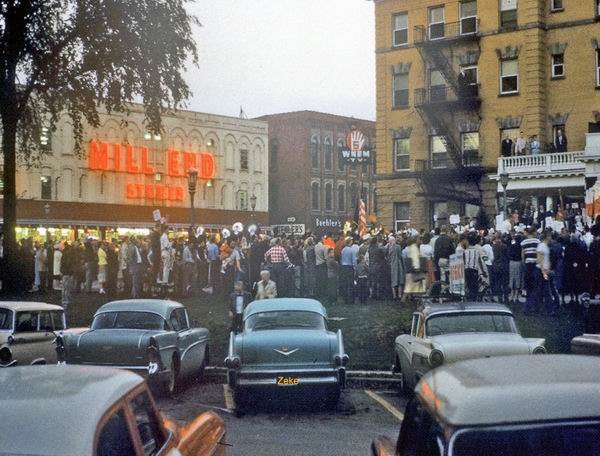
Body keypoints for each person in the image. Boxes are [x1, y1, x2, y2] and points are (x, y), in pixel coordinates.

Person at [535, 230, 558, 316]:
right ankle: (548, 310)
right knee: (544, 291)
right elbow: (539, 259)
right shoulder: (541, 246)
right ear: (547, 237)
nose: (551, 239)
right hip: (541, 272)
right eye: (550, 237)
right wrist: (544, 271)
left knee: (545, 291)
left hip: (544, 271)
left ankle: (548, 309)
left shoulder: (545, 246)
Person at [521, 228, 541, 314]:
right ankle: (535, 307)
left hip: (527, 264)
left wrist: (524, 264)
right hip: (535, 265)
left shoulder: (524, 242)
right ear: (533, 232)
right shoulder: (537, 242)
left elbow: (522, 255)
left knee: (528, 287)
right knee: (535, 287)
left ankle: (527, 307)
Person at [492, 234, 510, 304]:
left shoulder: (493, 246)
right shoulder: (504, 246)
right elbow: (507, 256)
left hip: (496, 265)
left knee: (498, 282)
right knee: (505, 283)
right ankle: (506, 297)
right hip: (504, 265)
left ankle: (500, 298)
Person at [386, 236, 405, 301]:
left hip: (392, 265)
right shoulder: (398, 247)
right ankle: (399, 295)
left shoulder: (388, 248)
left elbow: (387, 257)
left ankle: (394, 296)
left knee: (393, 280)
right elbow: (400, 256)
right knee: (400, 280)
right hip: (398, 264)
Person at [340, 238, 357, 304]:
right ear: (350, 242)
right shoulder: (352, 250)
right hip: (350, 267)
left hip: (344, 267)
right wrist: (355, 268)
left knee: (345, 283)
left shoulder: (343, 250)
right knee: (350, 284)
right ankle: (351, 299)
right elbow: (354, 261)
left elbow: (341, 259)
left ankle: (345, 299)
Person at [508, 232, 524, 304]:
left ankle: (511, 294)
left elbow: (509, 254)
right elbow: (522, 256)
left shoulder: (512, 246)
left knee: (512, 278)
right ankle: (516, 296)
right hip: (518, 262)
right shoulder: (521, 247)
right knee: (518, 279)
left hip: (511, 262)